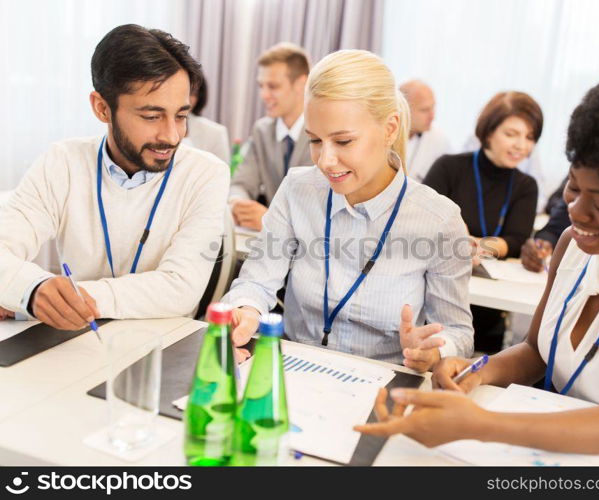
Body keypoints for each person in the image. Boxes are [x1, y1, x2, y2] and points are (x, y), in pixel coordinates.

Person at [356, 59, 599, 450]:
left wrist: (480, 424)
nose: (577, 212)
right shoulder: (573, 243)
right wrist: (477, 370)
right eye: (573, 188)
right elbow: (537, 351)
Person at [222, 50, 474, 370]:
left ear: (390, 128)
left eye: (343, 142)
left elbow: (460, 333)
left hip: (383, 385)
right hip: (296, 371)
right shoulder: (297, 190)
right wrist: (245, 311)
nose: (325, 160)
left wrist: (435, 350)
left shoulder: (438, 219)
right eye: (315, 140)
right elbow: (256, 281)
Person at [0, 24, 230, 330]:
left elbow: (180, 290)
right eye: (151, 116)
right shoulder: (62, 162)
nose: (172, 136)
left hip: (159, 344)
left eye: (181, 115)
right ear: (102, 108)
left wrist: (62, 297)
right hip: (74, 340)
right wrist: (32, 290)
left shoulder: (206, 174)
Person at [424, 92, 542, 352]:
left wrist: (479, 247)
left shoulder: (525, 186)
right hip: (434, 292)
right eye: (512, 134)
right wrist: (457, 244)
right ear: (489, 132)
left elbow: (515, 241)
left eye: (529, 137)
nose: (521, 145)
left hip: (488, 305)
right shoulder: (448, 168)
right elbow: (420, 221)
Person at [228, 43, 313, 231]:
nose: (264, 95)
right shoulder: (262, 130)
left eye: (273, 86)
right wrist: (238, 203)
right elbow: (241, 183)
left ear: (301, 84)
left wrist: (271, 220)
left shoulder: (323, 132)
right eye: (261, 86)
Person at [399, 80, 452, 183]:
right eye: (424, 110)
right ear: (402, 109)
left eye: (433, 107)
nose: (432, 117)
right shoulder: (380, 136)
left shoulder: (440, 140)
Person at [183, 77, 231, 164]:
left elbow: (222, 174)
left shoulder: (215, 132)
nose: (187, 98)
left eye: (193, 93)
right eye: (182, 91)